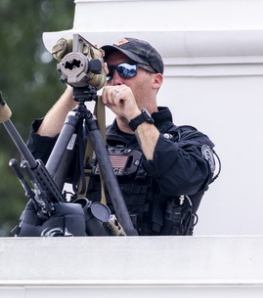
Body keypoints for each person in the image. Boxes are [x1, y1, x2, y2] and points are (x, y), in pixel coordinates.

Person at [26, 37, 218, 236]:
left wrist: (135, 116)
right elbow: (39, 162)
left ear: (156, 80)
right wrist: (75, 86)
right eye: (109, 71)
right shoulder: (94, 141)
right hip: (89, 261)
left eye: (127, 70)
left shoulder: (187, 140)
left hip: (157, 261)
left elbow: (182, 179)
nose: (117, 79)